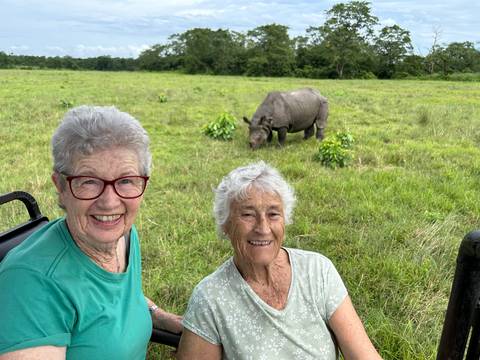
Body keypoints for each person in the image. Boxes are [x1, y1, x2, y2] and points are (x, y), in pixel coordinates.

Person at [0, 106, 182, 359]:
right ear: (61, 187)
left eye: (126, 180)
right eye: (88, 181)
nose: (110, 202)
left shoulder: (125, 237)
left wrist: (159, 317)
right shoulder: (31, 283)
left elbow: (118, 297)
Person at [176, 161, 382, 360]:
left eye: (273, 214)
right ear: (225, 224)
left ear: (285, 219)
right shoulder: (210, 298)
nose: (263, 229)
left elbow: (363, 355)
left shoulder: (318, 271)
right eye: (248, 214)